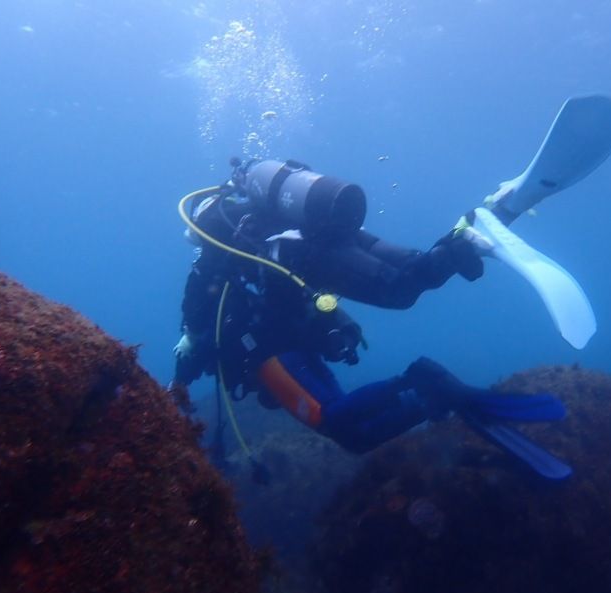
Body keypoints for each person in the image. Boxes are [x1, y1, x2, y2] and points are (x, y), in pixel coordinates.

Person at [171, 158, 568, 474]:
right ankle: (478, 222)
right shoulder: (262, 233)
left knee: (334, 420)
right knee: (413, 274)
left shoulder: (213, 264)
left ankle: (422, 384)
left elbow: (194, 331)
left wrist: (180, 376)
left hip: (277, 345)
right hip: (327, 254)